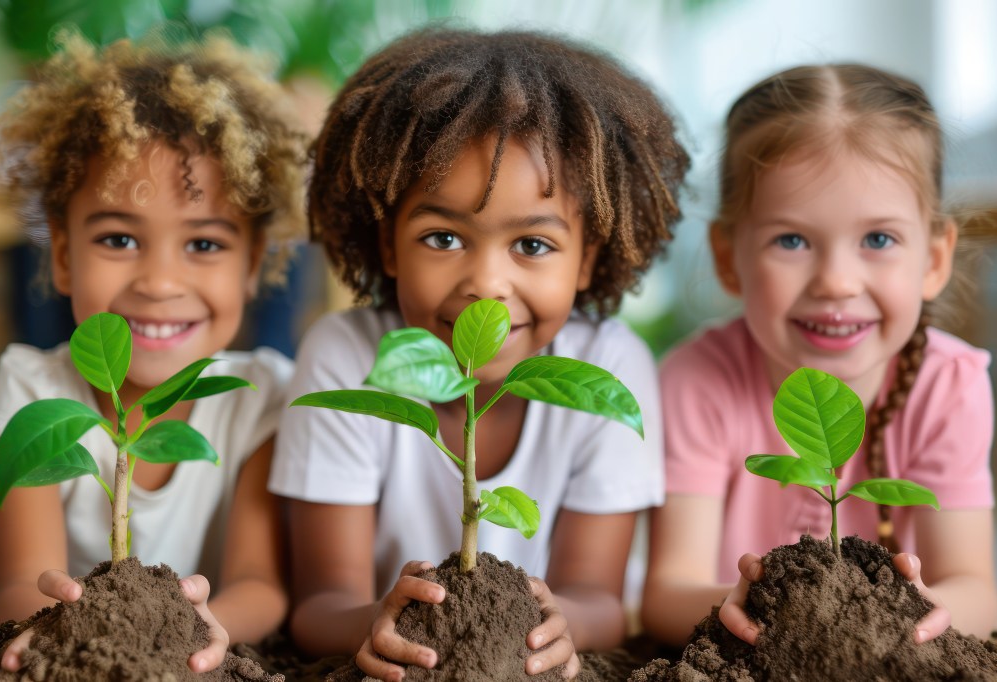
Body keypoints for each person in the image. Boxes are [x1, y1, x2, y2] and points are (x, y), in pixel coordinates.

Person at [269, 27, 689, 681]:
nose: (486, 285)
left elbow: (601, 601)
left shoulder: (605, 370)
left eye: (533, 246)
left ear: (590, 258)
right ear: (386, 247)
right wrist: (375, 620)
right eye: (442, 237)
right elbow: (320, 607)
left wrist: (560, 624)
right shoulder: (346, 358)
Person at [0, 29, 307, 672]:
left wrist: (199, 629)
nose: (158, 283)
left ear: (252, 265)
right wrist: (46, 626)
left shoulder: (259, 397)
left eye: (205, 245)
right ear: (65, 257)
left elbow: (261, 588)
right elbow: (15, 586)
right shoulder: (31, 390)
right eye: (119, 240)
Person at [642, 63, 997, 648]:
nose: (836, 281)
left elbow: (976, 590)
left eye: (877, 240)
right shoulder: (696, 381)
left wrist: (907, 616)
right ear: (730, 258)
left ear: (934, 259)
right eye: (792, 240)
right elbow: (665, 595)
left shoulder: (948, 384)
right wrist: (776, 610)